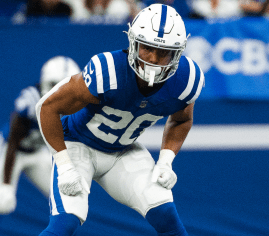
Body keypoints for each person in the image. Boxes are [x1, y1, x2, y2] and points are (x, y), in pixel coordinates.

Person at [36, 4, 204, 236]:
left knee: (167, 217)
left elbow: (181, 120)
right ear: (133, 43)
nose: (154, 59)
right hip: (78, 144)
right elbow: (47, 107)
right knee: (65, 223)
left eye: (163, 51)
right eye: (147, 48)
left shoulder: (187, 78)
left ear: (178, 53)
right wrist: (64, 164)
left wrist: (166, 160)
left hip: (123, 151)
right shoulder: (108, 70)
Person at [0, 56, 81, 236]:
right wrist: (5, 183)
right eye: (54, 85)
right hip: (10, 149)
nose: (58, 92)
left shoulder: (76, 105)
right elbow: (13, 140)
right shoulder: (31, 99)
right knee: (1, 200)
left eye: (64, 86)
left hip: (37, 151)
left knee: (65, 202)